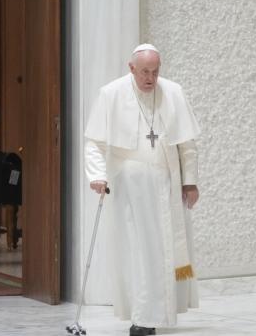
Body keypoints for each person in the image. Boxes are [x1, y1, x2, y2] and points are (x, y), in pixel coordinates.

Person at [84, 44, 201, 336]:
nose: (151, 78)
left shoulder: (173, 92)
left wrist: (190, 182)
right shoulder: (111, 94)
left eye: (155, 71)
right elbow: (95, 143)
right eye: (145, 72)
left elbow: (186, 145)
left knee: (165, 252)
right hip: (130, 190)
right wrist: (97, 176)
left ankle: (158, 313)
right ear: (131, 68)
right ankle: (142, 316)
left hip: (167, 188)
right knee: (138, 252)